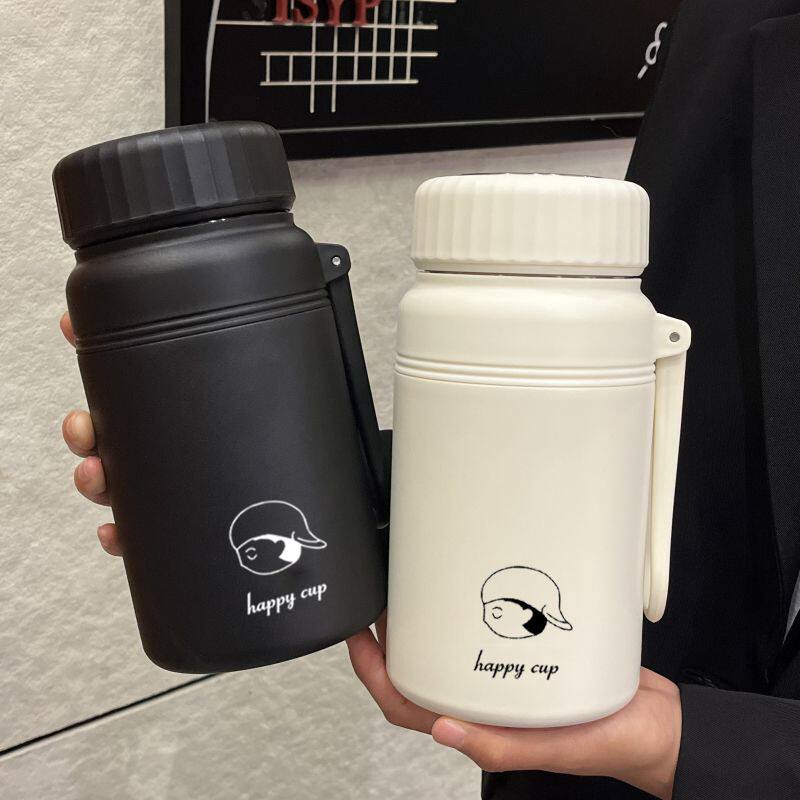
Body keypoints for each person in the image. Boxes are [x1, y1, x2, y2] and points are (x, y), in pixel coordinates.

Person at [59, 1, 800, 795]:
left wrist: (703, 747)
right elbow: (642, 350)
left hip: (652, 715)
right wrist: (369, 494)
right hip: (586, 728)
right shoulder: (740, 16)